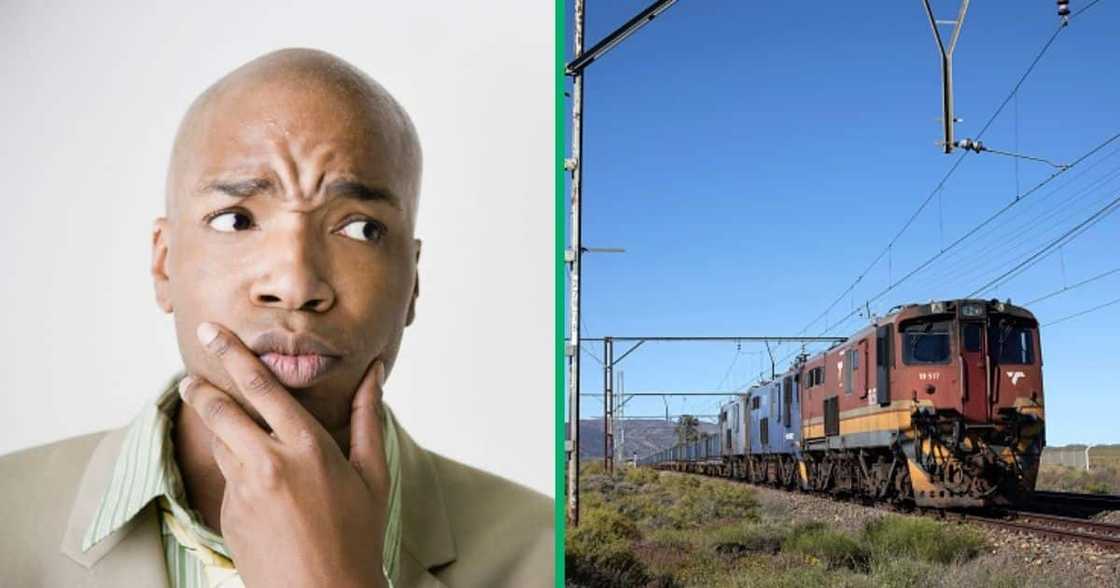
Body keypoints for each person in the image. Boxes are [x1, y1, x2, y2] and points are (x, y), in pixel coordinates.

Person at [0, 48, 552, 587]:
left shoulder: (545, 553)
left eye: (360, 228)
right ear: (164, 263)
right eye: (236, 220)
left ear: (412, 281)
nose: (295, 285)